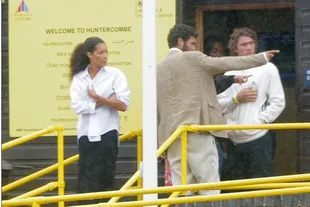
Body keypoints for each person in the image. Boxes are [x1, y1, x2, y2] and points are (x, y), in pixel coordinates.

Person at [157, 24, 279, 195]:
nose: (195, 48)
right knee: (209, 186)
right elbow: (225, 62)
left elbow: (157, 107)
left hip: (172, 138)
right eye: (192, 43)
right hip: (197, 131)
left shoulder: (158, 68)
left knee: (183, 189)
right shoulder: (194, 58)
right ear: (179, 41)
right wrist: (261, 58)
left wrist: (160, 143)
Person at [218, 27, 285, 180]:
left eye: (251, 43)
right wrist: (236, 99)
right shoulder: (229, 72)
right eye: (243, 44)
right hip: (233, 141)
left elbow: (278, 101)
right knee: (233, 189)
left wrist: (260, 121)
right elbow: (219, 105)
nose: (248, 47)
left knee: (259, 185)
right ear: (235, 48)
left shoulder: (268, 68)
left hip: (258, 139)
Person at [69, 37, 130, 195]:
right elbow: (77, 106)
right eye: (100, 52)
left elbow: (123, 104)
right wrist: (106, 100)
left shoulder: (115, 75)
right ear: (90, 54)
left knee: (106, 177)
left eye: (106, 52)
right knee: (86, 178)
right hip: (86, 133)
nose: (105, 56)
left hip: (107, 131)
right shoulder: (79, 78)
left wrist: (97, 98)